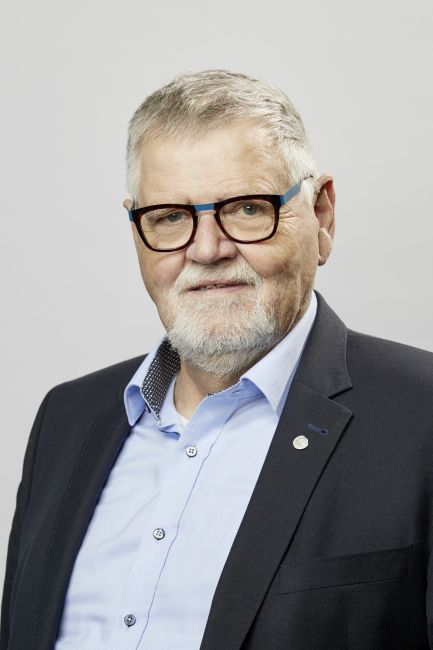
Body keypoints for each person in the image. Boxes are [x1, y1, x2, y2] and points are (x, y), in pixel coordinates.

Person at [1, 68, 433, 650]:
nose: (207, 250)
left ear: (322, 216)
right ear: (137, 229)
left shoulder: (422, 419)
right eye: (170, 217)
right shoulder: (67, 419)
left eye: (248, 208)